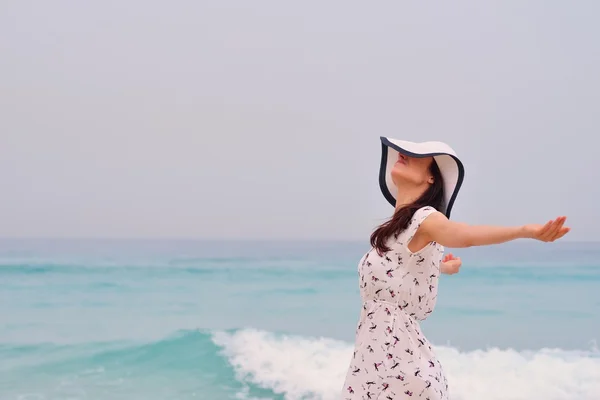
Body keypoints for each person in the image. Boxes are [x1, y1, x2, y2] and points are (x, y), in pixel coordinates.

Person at [340, 137, 570, 400]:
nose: (403, 155)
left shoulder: (425, 219)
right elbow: (401, 273)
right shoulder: (396, 231)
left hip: (400, 373)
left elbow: (466, 235)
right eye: (403, 152)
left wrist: (525, 231)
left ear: (431, 179)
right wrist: (441, 268)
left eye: (415, 156)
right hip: (371, 367)